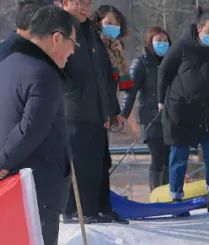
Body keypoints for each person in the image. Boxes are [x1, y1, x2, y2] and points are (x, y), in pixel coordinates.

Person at [0, 5, 81, 245]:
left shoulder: (9, 63)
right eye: (72, 43)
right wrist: (3, 159)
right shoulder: (43, 73)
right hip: (36, 181)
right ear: (56, 38)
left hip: (14, 179)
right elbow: (32, 128)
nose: (72, 51)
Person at [158, 8, 209, 212]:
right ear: (199, 29)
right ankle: (177, 200)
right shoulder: (182, 46)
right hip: (181, 108)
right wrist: (160, 99)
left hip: (207, 108)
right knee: (179, 154)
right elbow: (164, 71)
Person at [61, 0, 123, 224]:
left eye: (88, 2)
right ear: (65, 2)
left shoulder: (91, 32)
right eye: (80, 2)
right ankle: (74, 211)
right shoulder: (59, 28)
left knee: (98, 163)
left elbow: (104, 75)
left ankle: (97, 209)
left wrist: (111, 108)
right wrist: (72, 93)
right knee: (78, 163)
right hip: (73, 110)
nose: (85, 7)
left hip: (97, 111)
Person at [120, 26, 170, 191]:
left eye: (165, 41)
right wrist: (122, 114)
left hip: (171, 118)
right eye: (158, 41)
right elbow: (130, 91)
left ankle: (170, 192)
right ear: (150, 42)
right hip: (151, 119)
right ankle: (157, 192)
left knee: (170, 158)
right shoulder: (142, 62)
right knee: (158, 157)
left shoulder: (172, 61)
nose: (162, 44)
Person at [94, 5, 133, 96]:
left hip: (110, 103)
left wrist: (120, 56)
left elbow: (126, 83)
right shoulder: (93, 46)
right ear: (99, 23)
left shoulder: (115, 48)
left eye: (116, 24)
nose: (113, 27)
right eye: (109, 23)